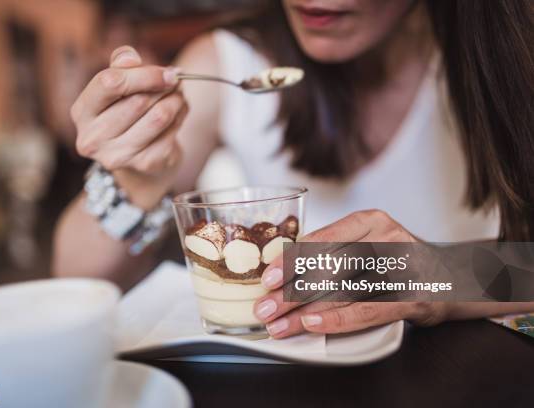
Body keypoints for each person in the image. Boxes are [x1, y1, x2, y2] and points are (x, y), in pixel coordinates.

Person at [53, 0, 534, 338]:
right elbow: (75, 279)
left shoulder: (513, 53)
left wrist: (439, 276)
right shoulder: (229, 61)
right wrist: (139, 178)